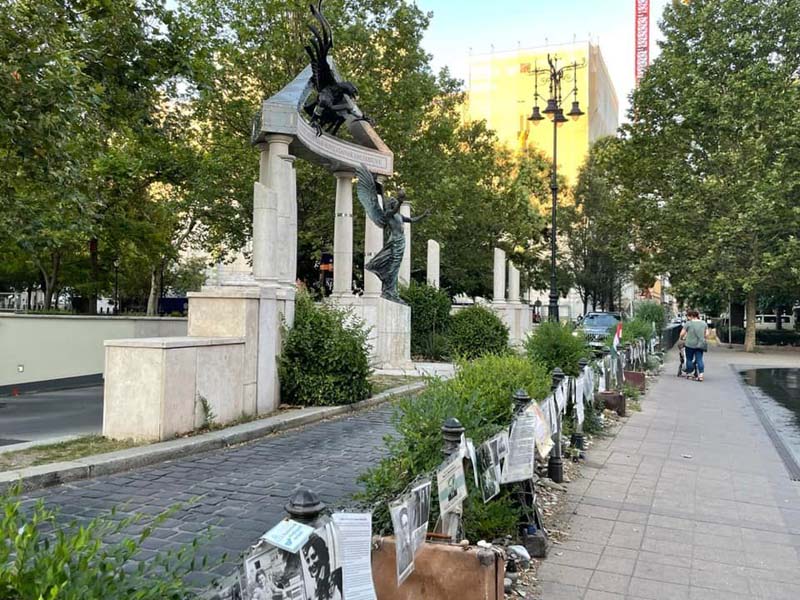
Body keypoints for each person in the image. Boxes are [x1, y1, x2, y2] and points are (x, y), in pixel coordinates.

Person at [680, 309, 709, 381]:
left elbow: (682, 333)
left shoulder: (688, 323)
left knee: (689, 359)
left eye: (688, 316)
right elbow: (707, 334)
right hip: (700, 345)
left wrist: (681, 338)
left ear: (692, 316)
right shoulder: (703, 323)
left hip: (689, 344)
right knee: (699, 359)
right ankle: (701, 375)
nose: (687, 317)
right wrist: (703, 338)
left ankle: (689, 374)